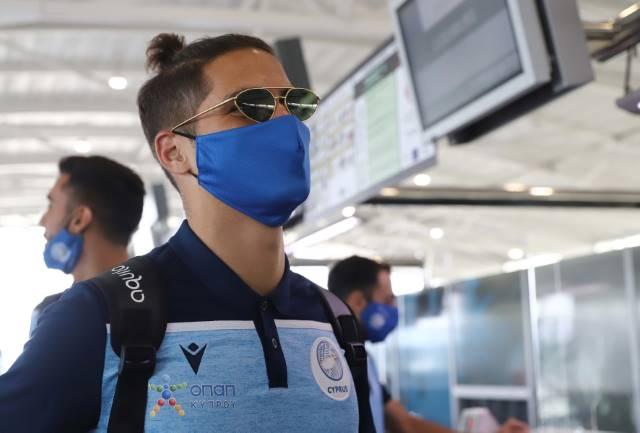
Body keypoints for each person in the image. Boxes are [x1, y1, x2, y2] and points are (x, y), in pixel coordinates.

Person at [0, 33, 368, 433]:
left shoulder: (335, 322)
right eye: (251, 106)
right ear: (174, 152)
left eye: (294, 104)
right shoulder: (97, 316)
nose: (287, 124)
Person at [328, 256, 530, 433]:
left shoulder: (365, 362)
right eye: (387, 301)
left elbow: (405, 423)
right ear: (358, 302)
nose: (394, 309)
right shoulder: (332, 363)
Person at [30, 155, 145, 335]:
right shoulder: (165, 303)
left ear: (79, 219)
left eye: (51, 205)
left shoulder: (52, 315)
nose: (42, 221)